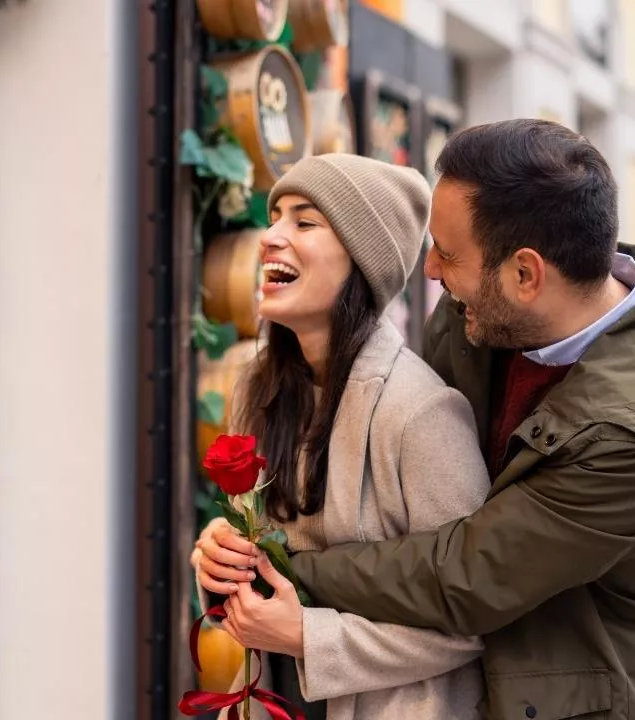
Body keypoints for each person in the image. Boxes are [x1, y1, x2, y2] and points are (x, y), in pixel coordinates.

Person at [196, 119, 635, 720]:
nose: (430, 269)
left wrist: (276, 565)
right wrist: (238, 550)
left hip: (581, 693)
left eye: (448, 253)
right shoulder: (481, 314)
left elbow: (467, 574)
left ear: (525, 275)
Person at [190, 153, 490, 719]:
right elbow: (270, 554)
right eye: (275, 217)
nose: (270, 237)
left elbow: (472, 620)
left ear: (361, 261)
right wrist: (222, 554)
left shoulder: (422, 412)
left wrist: (308, 636)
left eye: (304, 222)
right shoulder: (256, 389)